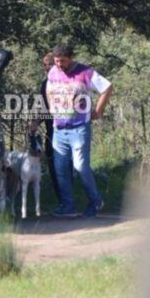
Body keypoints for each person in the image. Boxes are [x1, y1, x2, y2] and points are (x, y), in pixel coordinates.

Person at [45, 44, 113, 218]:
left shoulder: (85, 72)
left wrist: (98, 111)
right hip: (59, 128)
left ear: (71, 57)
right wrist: (51, 106)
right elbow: (49, 89)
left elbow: (107, 87)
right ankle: (68, 206)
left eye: (62, 61)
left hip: (79, 128)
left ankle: (95, 201)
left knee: (80, 166)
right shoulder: (53, 71)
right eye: (56, 61)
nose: (59, 65)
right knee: (60, 168)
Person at [30, 53, 63, 204]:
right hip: (53, 131)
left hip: (62, 131)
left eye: (47, 65)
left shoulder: (63, 82)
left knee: (61, 167)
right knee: (55, 166)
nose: (44, 68)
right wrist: (35, 123)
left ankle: (66, 202)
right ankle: (64, 202)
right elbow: (45, 109)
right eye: (44, 65)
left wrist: (36, 122)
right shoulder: (45, 84)